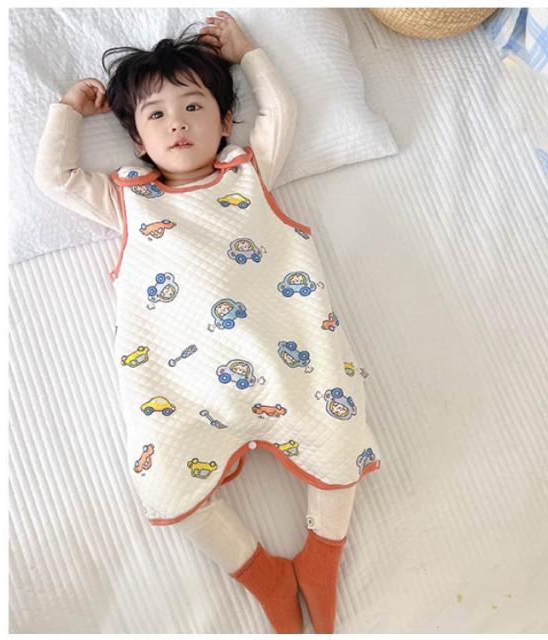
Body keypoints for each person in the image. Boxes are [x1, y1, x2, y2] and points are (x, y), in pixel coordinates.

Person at [34, 10, 381, 634]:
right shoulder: (127, 199)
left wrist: (249, 54)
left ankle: (322, 555)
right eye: (156, 114)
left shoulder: (250, 172)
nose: (177, 123)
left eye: (194, 106)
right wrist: (67, 110)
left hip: (289, 363)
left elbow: (281, 111)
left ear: (225, 121)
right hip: (182, 391)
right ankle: (263, 574)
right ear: (137, 140)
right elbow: (53, 177)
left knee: (341, 431)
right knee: (163, 488)